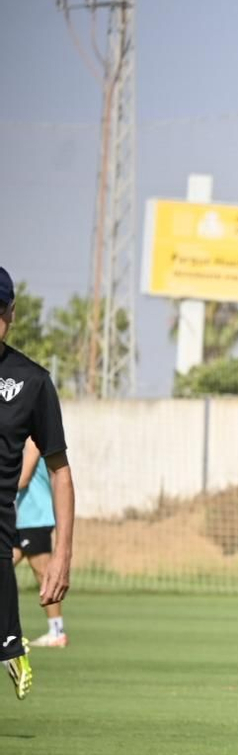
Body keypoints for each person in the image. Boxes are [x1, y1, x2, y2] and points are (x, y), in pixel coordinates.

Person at [0, 266, 73, 699]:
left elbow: (60, 470)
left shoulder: (31, 382)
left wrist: (62, 554)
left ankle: (13, 642)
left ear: (11, 311)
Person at [15, 438, 67, 647]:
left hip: (36, 518)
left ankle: (57, 632)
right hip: (21, 519)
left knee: (44, 575)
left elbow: (23, 479)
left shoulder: (34, 441)